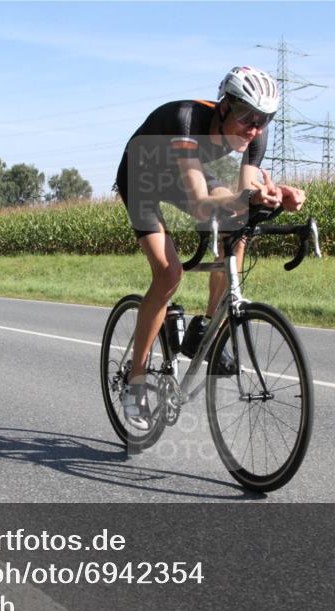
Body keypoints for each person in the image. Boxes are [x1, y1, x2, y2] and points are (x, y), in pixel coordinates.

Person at [115, 66, 307, 429]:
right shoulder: (187, 120)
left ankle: (204, 326)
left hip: (186, 177)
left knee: (238, 228)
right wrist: (246, 198)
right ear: (223, 106)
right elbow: (202, 204)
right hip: (142, 177)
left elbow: (241, 196)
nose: (254, 128)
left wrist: (272, 197)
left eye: (264, 120)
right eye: (247, 117)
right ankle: (135, 380)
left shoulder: (255, 138)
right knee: (169, 273)